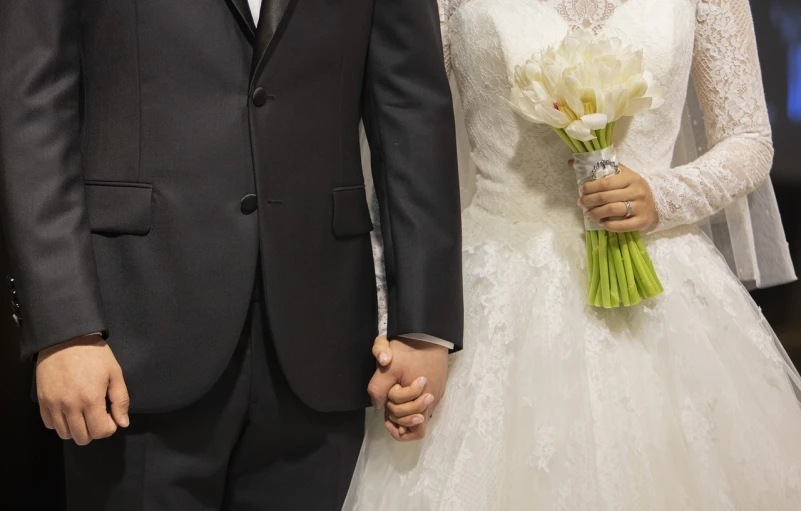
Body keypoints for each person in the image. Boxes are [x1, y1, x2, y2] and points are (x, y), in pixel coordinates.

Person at [0, 0, 463, 509]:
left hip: (322, 347)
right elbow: (32, 104)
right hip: (129, 341)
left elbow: (412, 109)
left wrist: (423, 326)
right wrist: (64, 326)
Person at [346, 0, 801, 509]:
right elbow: (402, 143)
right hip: (494, 285)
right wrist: (403, 325)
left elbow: (749, 138)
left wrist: (663, 196)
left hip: (662, 284)